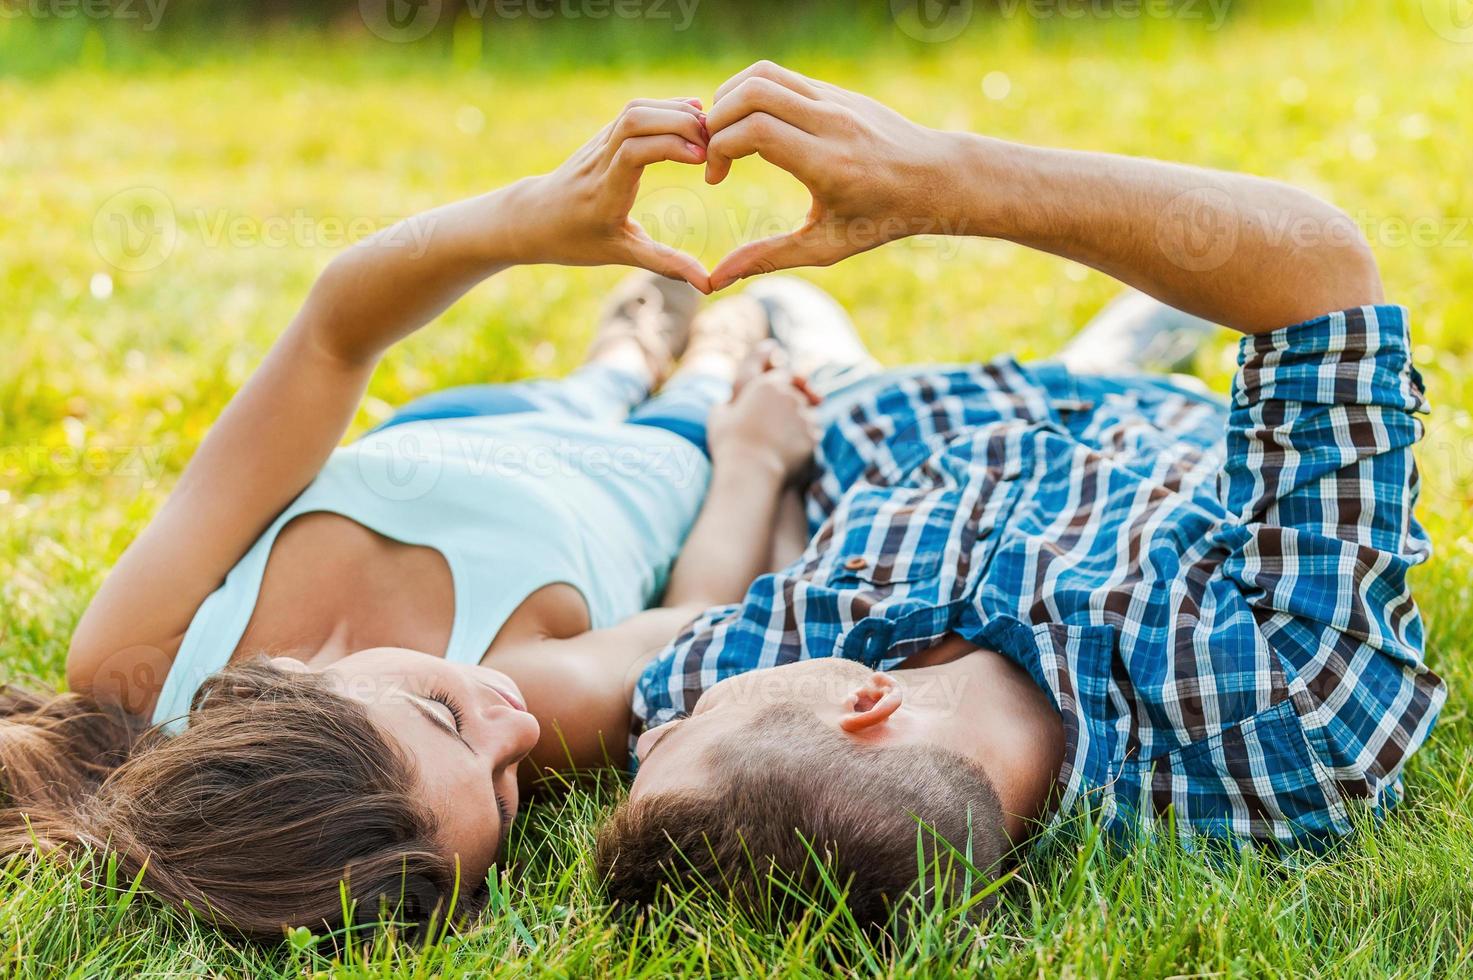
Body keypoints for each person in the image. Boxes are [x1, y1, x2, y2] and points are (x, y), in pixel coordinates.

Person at [595, 62, 1446, 928]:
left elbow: (720, 601)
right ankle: (1128, 342)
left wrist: (758, 454)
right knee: (1211, 275)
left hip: (894, 421)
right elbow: (1321, 277)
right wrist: (934, 178)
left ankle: (1096, 333)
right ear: (865, 704)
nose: (652, 727)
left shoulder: (759, 684)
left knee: (782, 307)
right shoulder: (1289, 715)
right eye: (673, 737)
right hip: (1149, 430)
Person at [0, 96, 827, 938]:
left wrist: (523, 220)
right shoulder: (538, 705)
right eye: (506, 795)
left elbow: (333, 334)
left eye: (443, 714)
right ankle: (710, 356)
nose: (516, 729)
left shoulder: (140, 653)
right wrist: (755, 456)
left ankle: (627, 349)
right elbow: (693, 616)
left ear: (286, 684)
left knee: (594, 383)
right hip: (649, 473)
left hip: (463, 427)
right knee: (701, 393)